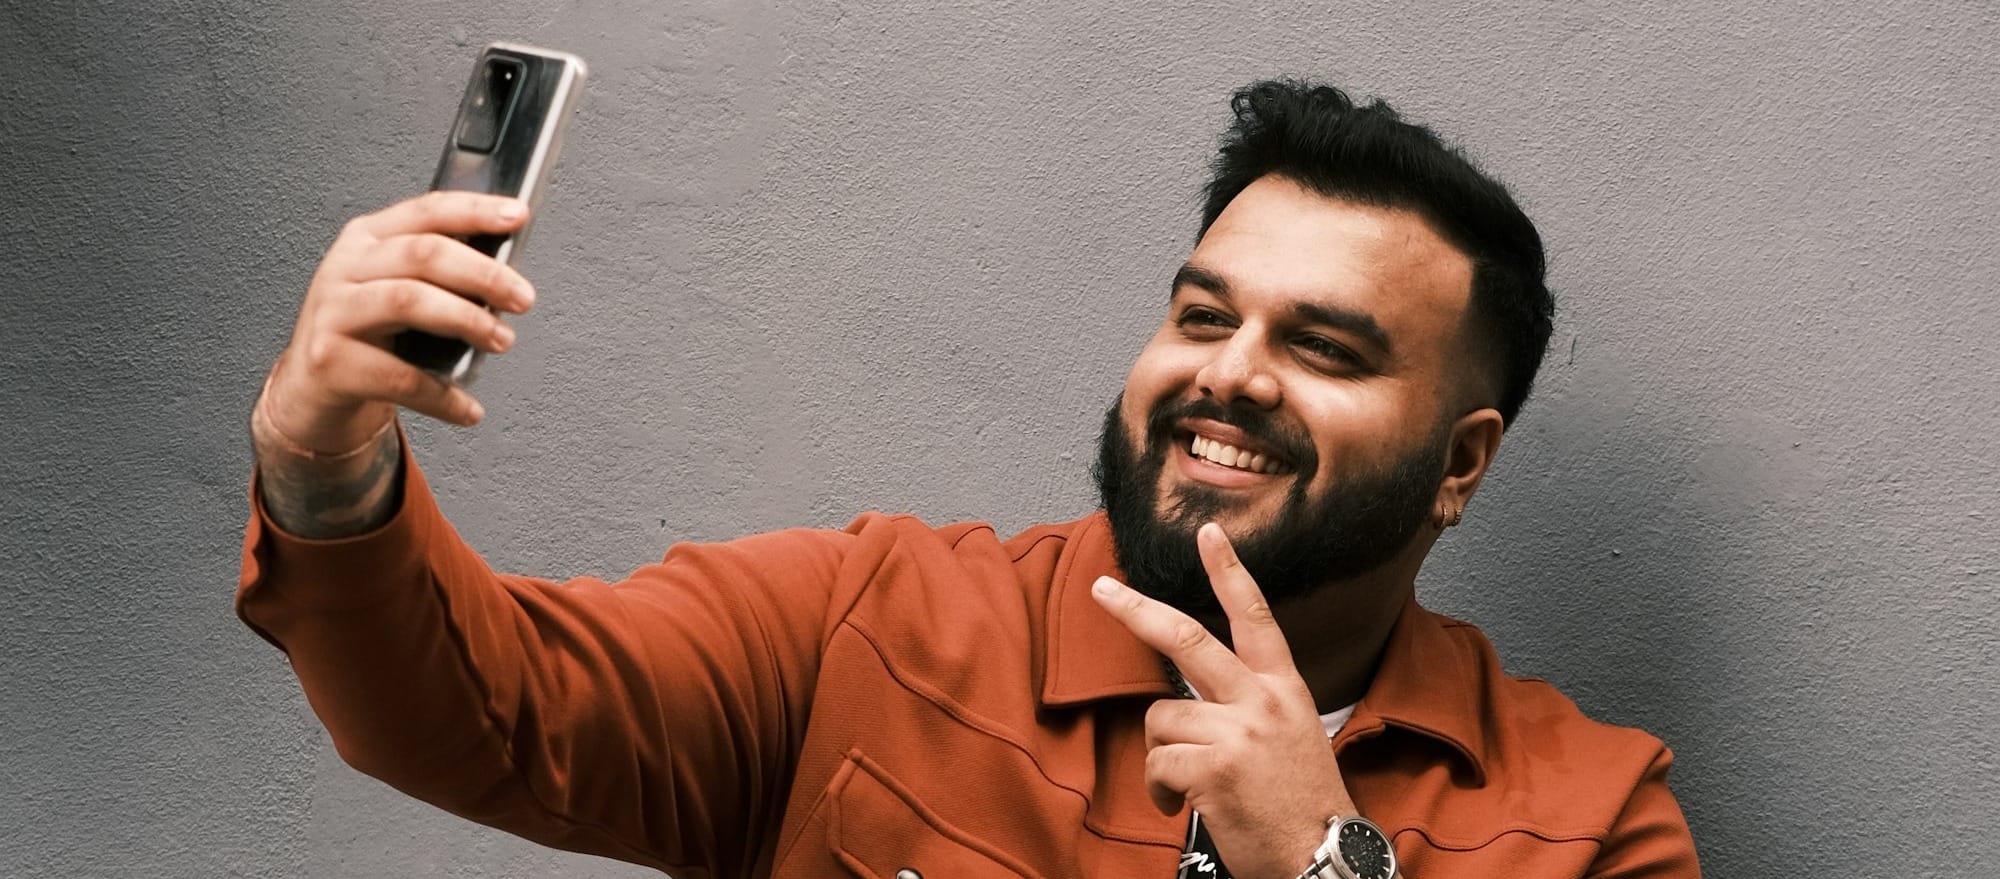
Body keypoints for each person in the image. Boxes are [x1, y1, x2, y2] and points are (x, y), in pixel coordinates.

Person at [238, 80, 1701, 879]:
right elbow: (463, 712)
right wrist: (323, 454)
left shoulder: (1590, 818)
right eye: (1202, 315)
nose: (1230, 373)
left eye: (1320, 346)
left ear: (1460, 466)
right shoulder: (868, 625)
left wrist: (1325, 868)